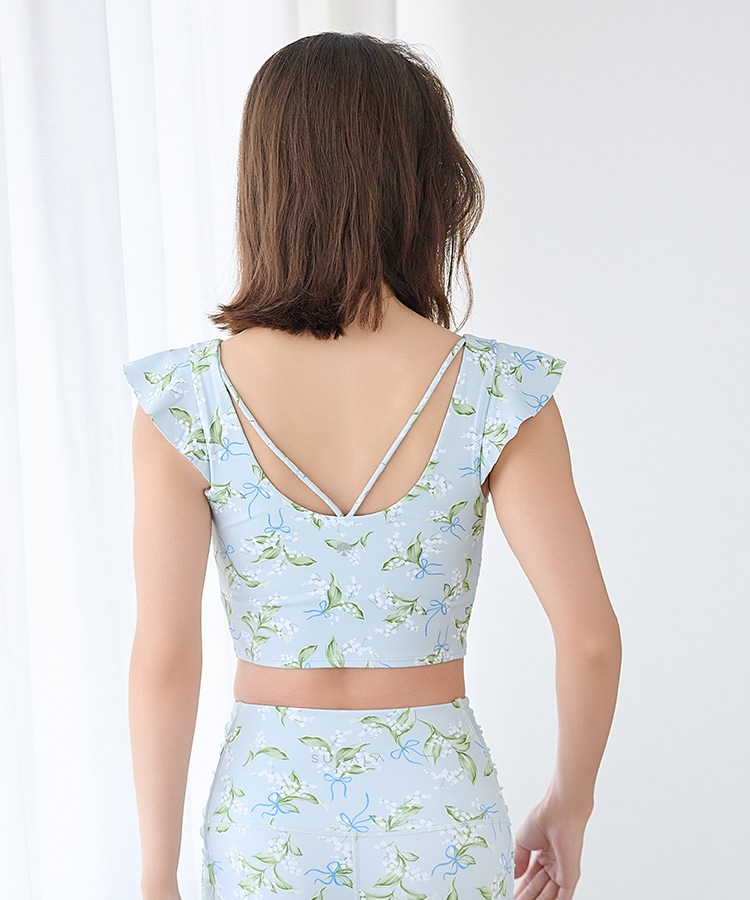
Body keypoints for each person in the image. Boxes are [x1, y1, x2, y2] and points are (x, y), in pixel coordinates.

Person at [122, 32, 621, 900]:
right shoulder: (500, 390)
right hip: (441, 813)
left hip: (266, 816)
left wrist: (155, 875)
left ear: (266, 182)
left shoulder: (184, 398)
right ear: (425, 185)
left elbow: (164, 658)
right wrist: (567, 806)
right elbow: (590, 640)